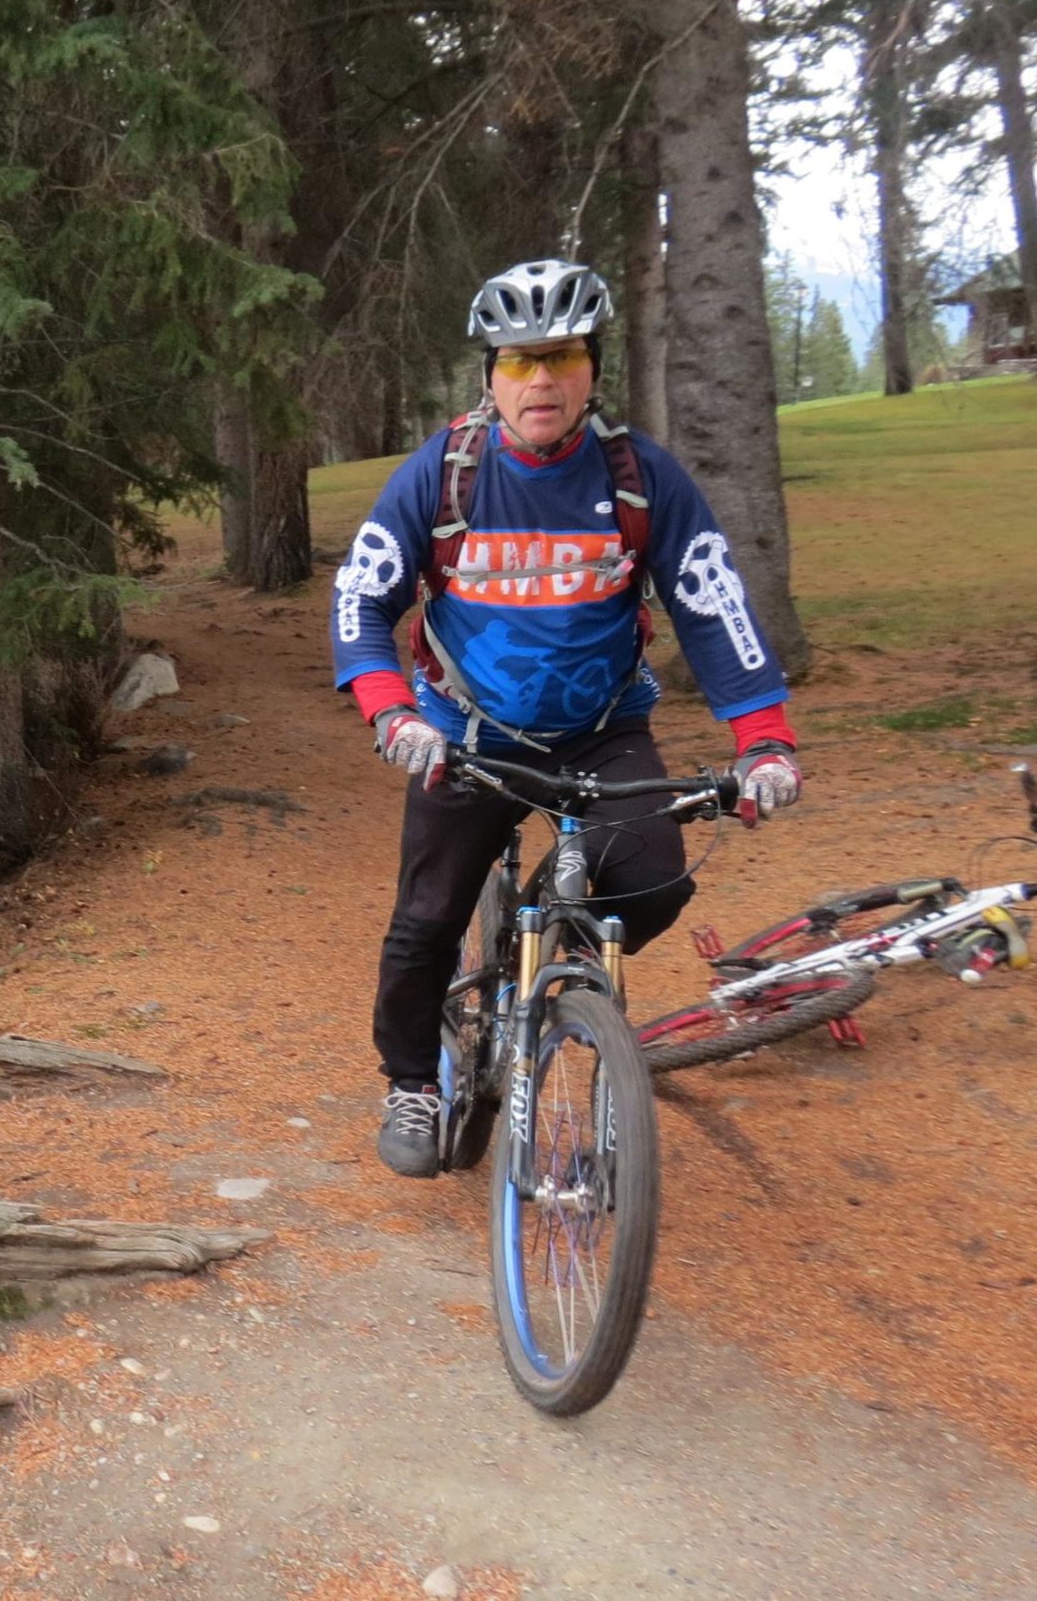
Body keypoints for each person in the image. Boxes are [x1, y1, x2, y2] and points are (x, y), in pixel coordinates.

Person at [329, 259, 806, 1178]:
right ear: (489, 375)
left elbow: (715, 607)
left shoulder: (641, 479)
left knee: (655, 880)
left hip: (602, 729)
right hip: (467, 735)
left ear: (592, 367)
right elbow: (360, 600)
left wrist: (766, 740)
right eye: (518, 362)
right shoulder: (443, 474)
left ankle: (548, 959)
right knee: (426, 919)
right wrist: (393, 711)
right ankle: (411, 1083)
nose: (539, 380)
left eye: (561, 356)